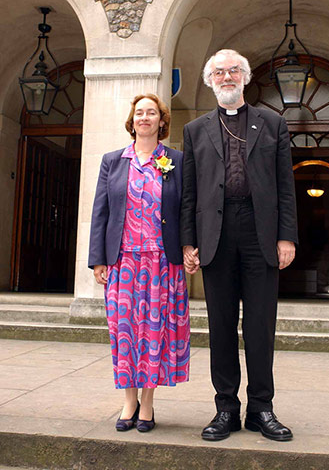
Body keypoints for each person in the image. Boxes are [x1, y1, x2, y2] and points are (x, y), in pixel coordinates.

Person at [181, 49, 298, 442]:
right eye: (218, 72)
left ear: (245, 78)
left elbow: (285, 186)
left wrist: (286, 236)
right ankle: (226, 409)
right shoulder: (195, 130)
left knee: (261, 326)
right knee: (221, 327)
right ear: (209, 79)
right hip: (215, 233)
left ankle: (261, 408)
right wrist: (188, 243)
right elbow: (189, 193)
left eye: (233, 71)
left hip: (259, 232)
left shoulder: (272, 123)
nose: (226, 77)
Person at [89, 93, 190, 433]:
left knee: (154, 333)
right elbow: (100, 211)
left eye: (152, 113)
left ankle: (147, 403)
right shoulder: (113, 161)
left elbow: (186, 209)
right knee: (125, 332)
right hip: (123, 261)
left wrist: (190, 246)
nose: (145, 117)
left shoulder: (176, 160)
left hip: (163, 262)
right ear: (132, 121)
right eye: (140, 113)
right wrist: (98, 260)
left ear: (162, 121)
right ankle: (128, 399)